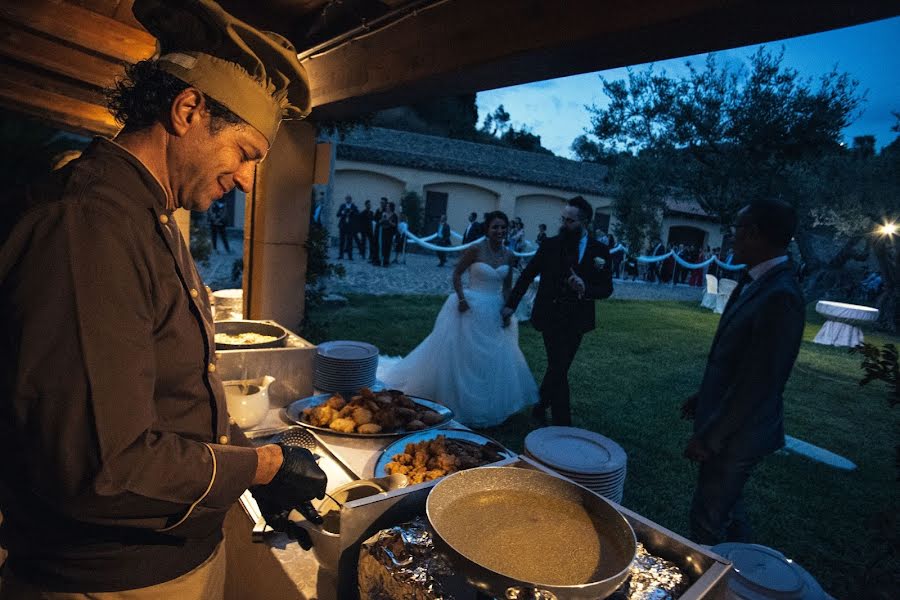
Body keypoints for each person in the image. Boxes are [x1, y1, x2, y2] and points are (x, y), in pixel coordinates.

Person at [0, 1, 327, 597]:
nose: (250, 180)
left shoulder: (146, 215)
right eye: (246, 153)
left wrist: (242, 452)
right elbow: (105, 465)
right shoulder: (88, 228)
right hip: (109, 581)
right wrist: (259, 466)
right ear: (187, 110)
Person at [681, 199, 804, 546]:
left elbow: (760, 381)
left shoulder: (780, 295)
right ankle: (745, 569)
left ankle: (715, 584)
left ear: (753, 233)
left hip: (738, 434)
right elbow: (738, 361)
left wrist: (710, 438)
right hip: (729, 422)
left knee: (708, 520)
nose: (731, 238)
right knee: (729, 509)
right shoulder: (757, 281)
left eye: (736, 230)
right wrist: (703, 396)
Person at [382, 212, 538, 426]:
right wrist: (462, 299)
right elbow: (457, 274)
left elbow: (507, 286)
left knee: (493, 359)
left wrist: (508, 309)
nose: (499, 231)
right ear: (487, 229)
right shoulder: (475, 250)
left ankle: (489, 403)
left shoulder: (509, 254)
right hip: (471, 307)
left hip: (495, 309)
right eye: (495, 227)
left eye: (503, 228)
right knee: (462, 356)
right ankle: (456, 400)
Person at [502, 196, 613, 426]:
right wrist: (511, 304)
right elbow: (527, 275)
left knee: (558, 366)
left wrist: (586, 288)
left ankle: (541, 406)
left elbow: (607, 288)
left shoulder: (600, 250)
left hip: (578, 320)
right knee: (559, 366)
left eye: (570, 221)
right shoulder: (551, 244)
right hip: (550, 315)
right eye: (563, 219)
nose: (564, 225)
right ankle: (563, 423)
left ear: (585, 222)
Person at [336, 194, 358, 260]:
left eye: (349, 199)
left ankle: (350, 256)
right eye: (347, 199)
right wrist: (343, 212)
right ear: (345, 199)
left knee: (350, 241)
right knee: (341, 241)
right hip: (342, 226)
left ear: (351, 200)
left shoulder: (354, 206)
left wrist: (352, 212)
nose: (348, 200)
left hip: (350, 227)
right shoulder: (342, 206)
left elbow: (357, 215)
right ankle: (341, 255)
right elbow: (337, 214)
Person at [379, 201, 399, 267]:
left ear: (391, 207)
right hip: (384, 231)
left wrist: (389, 221)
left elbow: (395, 224)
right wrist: (382, 220)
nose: (387, 207)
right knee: (383, 246)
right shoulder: (384, 214)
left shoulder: (394, 215)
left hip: (390, 232)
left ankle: (386, 261)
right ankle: (382, 260)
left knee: (388, 246)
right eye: (386, 206)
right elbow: (380, 222)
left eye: (388, 206)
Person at [371, 197, 389, 266]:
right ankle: (375, 259)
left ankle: (381, 260)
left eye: (383, 203)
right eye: (381, 202)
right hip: (377, 229)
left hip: (383, 231)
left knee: (382, 246)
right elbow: (374, 218)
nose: (381, 204)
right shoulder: (378, 210)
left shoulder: (386, 211)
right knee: (375, 244)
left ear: (385, 203)